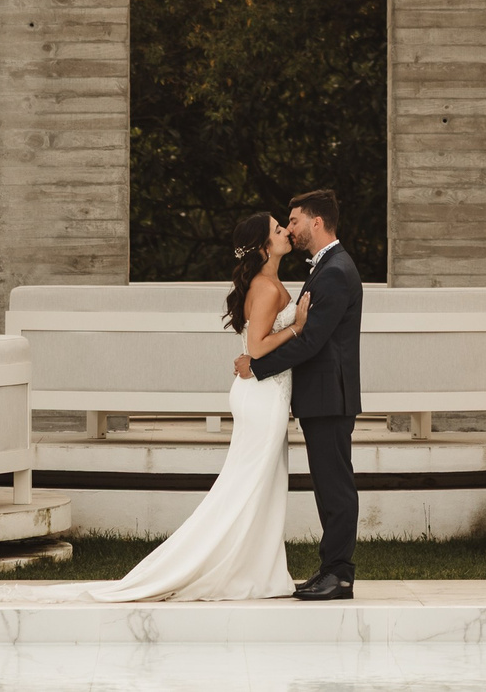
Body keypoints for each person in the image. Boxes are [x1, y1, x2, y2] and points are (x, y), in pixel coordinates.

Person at [76, 211, 312, 602]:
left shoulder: (268, 282)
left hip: (264, 393)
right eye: (277, 229)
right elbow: (256, 349)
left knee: (261, 486)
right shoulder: (266, 287)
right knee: (249, 486)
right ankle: (231, 570)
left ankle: (258, 570)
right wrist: (297, 328)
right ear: (263, 246)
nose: (286, 231)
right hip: (262, 395)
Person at [236, 188, 361, 601]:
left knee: (335, 486)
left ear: (316, 222)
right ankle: (330, 569)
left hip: (330, 396)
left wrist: (256, 367)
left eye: (294, 221)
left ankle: (339, 574)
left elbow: (311, 341)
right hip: (320, 396)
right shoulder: (326, 267)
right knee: (327, 485)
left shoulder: (336, 270)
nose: (290, 229)